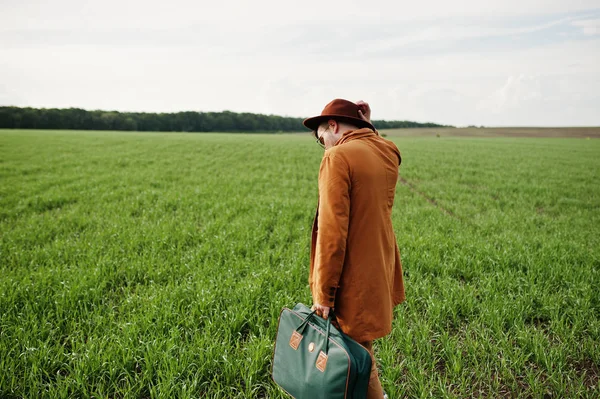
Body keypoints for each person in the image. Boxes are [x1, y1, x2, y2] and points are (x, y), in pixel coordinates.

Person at [303, 99, 405, 399]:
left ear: (332, 126)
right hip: (380, 269)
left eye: (323, 139)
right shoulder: (387, 152)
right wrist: (368, 126)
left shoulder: (338, 158)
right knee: (359, 353)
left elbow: (331, 233)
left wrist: (323, 294)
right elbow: (376, 143)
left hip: (352, 277)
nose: (325, 147)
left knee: (357, 356)